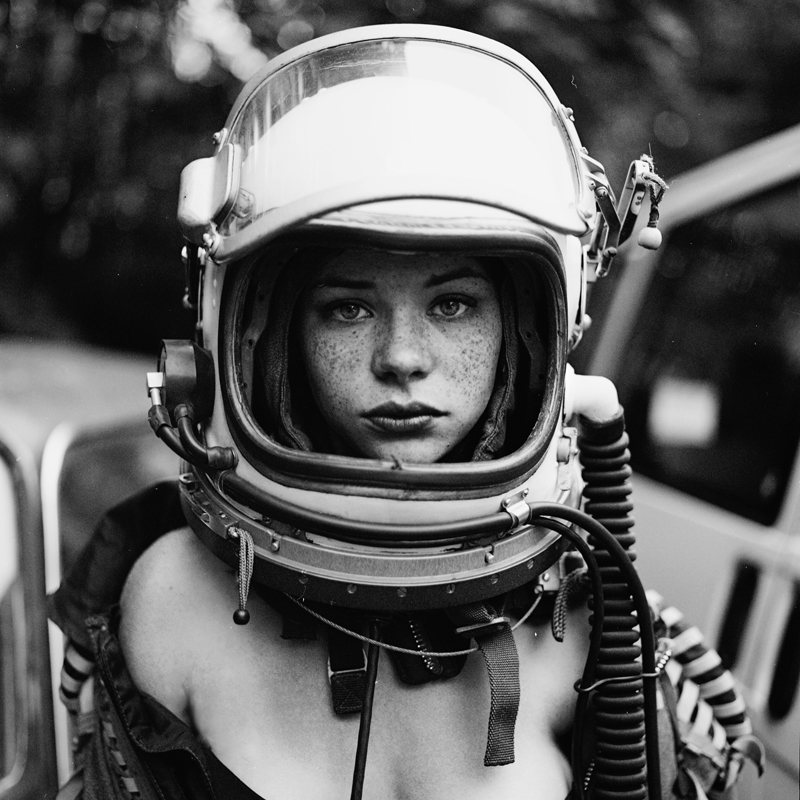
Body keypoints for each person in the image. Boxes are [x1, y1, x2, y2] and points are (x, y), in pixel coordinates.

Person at [48, 23, 763, 800]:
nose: (401, 357)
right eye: (348, 308)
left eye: (452, 305)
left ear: (528, 336)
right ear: (268, 341)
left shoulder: (601, 623)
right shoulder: (171, 599)